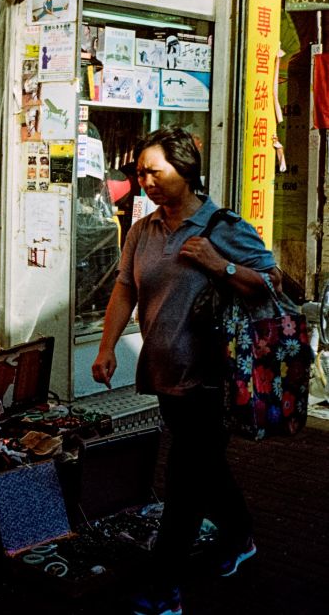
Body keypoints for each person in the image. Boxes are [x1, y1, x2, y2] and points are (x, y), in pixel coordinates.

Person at [91, 127, 278, 615]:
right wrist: (107, 346)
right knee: (204, 469)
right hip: (165, 371)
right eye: (140, 173)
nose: (146, 180)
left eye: (156, 170)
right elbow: (125, 290)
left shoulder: (221, 226)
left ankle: (163, 589)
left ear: (186, 169)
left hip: (212, 378)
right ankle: (240, 537)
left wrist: (221, 265)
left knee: (184, 481)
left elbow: (272, 283)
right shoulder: (142, 230)